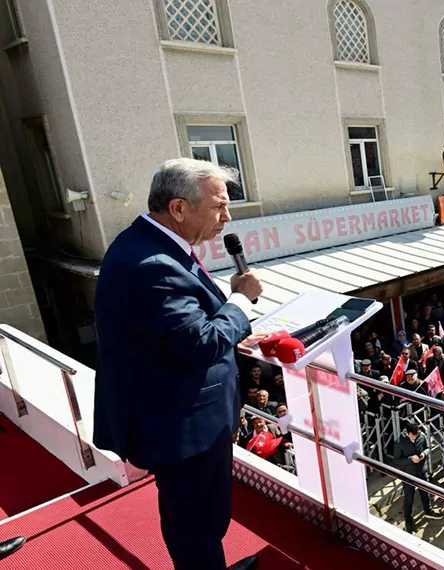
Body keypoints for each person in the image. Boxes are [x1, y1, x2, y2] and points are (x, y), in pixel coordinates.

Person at [93, 159, 261, 570]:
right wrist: (240, 300)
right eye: (219, 206)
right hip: (180, 426)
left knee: (201, 517)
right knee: (195, 522)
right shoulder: (152, 265)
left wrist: (234, 331)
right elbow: (200, 344)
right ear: (179, 208)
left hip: (183, 415)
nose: (227, 217)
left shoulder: (155, 245)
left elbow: (174, 332)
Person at [391, 421, 442, 532]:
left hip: (421, 471)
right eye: (413, 435)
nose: (415, 436)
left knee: (425, 493)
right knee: (409, 498)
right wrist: (410, 459)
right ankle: (408, 521)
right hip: (408, 474)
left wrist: (424, 454)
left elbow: (428, 448)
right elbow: (396, 460)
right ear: (408, 433)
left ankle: (428, 511)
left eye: (417, 434)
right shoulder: (399, 442)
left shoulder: (421, 436)